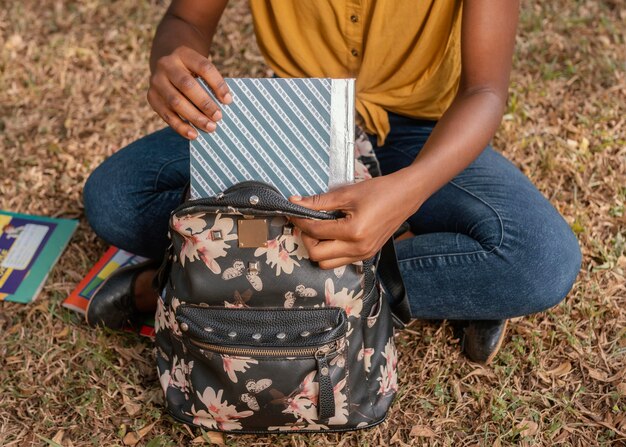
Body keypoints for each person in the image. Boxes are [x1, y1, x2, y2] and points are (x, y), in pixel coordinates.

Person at [83, 0, 581, 364]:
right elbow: (186, 19)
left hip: (423, 131)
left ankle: (195, 280)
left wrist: (410, 187)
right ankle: (451, 283)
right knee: (116, 197)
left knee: (539, 259)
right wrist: (172, 64)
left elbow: (485, 90)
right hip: (294, 115)